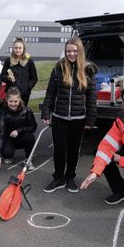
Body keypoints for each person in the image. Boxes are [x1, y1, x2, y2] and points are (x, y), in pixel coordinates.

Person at [41, 37, 97, 193]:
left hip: (79, 119)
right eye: (68, 51)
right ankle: (58, 177)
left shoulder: (88, 69)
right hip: (60, 117)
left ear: (80, 51)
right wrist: (46, 111)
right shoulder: (59, 68)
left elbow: (92, 96)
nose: (71, 54)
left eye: (74, 51)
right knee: (59, 149)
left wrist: (91, 119)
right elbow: (50, 92)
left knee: (73, 149)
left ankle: (70, 177)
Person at [0, 87, 38, 169]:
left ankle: (28, 159)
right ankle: (9, 151)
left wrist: (18, 130)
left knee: (30, 137)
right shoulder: (3, 112)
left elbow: (33, 127)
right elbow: (0, 132)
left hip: (22, 137)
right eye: (11, 101)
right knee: (7, 154)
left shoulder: (27, 110)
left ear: (19, 100)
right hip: (9, 138)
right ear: (6, 100)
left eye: (15, 101)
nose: (13, 104)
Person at [0, 37, 38, 105]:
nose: (18, 50)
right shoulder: (8, 61)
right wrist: (7, 78)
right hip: (10, 94)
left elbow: (34, 78)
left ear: (23, 49)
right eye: (16, 48)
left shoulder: (29, 61)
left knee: (22, 113)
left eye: (20, 48)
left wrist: (27, 87)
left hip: (24, 95)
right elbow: (2, 76)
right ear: (13, 48)